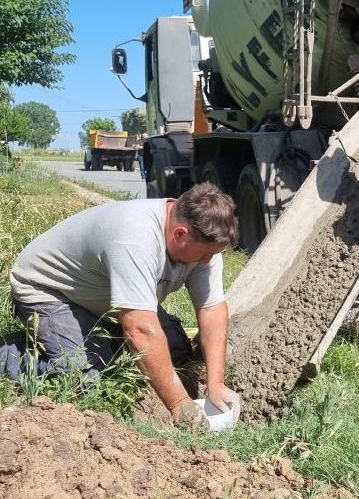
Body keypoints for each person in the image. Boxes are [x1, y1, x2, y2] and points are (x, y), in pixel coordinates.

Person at [0, 182, 240, 428]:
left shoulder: (203, 242)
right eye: (204, 254)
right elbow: (140, 330)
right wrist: (180, 404)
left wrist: (216, 384)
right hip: (51, 291)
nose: (208, 260)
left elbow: (212, 310)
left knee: (177, 349)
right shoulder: (136, 237)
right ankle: (11, 352)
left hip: (106, 295)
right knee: (84, 377)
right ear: (180, 234)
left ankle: (104, 340)